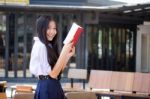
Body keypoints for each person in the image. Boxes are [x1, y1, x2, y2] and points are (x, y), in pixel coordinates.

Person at [29, 15, 75, 99]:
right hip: (47, 87)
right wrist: (63, 52)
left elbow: (57, 72)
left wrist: (67, 56)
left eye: (54, 29)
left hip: (52, 85)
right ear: (41, 29)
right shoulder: (41, 46)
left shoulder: (48, 45)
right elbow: (53, 74)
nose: (52, 32)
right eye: (49, 28)